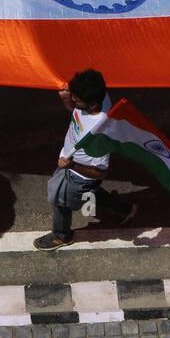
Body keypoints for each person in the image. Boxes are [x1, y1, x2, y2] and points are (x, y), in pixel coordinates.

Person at [35, 69, 135, 251]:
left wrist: (71, 164)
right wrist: (67, 97)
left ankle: (62, 235)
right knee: (91, 192)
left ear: (92, 104)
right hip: (71, 164)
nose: (73, 101)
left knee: (60, 201)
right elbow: (77, 113)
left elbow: (100, 172)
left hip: (77, 174)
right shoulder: (99, 97)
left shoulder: (100, 132)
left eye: (76, 99)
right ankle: (122, 208)